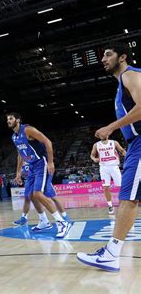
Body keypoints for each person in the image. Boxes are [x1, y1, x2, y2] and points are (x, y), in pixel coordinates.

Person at [77, 43, 140, 272]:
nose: (102, 59)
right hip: (135, 144)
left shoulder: (130, 75)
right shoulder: (122, 83)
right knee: (130, 198)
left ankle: (111, 254)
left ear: (122, 57)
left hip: (140, 143)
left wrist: (110, 128)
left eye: (108, 54)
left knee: (128, 199)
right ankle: (111, 253)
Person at [7, 112, 71, 238]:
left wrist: (51, 161)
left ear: (18, 120)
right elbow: (20, 154)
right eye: (7, 119)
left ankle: (62, 222)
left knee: (38, 194)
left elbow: (48, 142)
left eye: (11, 118)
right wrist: (18, 172)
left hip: (42, 163)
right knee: (31, 195)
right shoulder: (14, 137)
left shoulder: (28, 130)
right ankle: (44, 221)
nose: (8, 121)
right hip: (31, 166)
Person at [90, 138, 126, 214]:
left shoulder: (114, 142)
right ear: (99, 136)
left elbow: (122, 150)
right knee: (106, 187)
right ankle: (110, 206)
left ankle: (123, 203)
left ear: (108, 134)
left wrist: (125, 154)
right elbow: (92, 155)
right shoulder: (96, 145)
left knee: (121, 186)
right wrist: (94, 159)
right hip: (103, 168)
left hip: (114, 166)